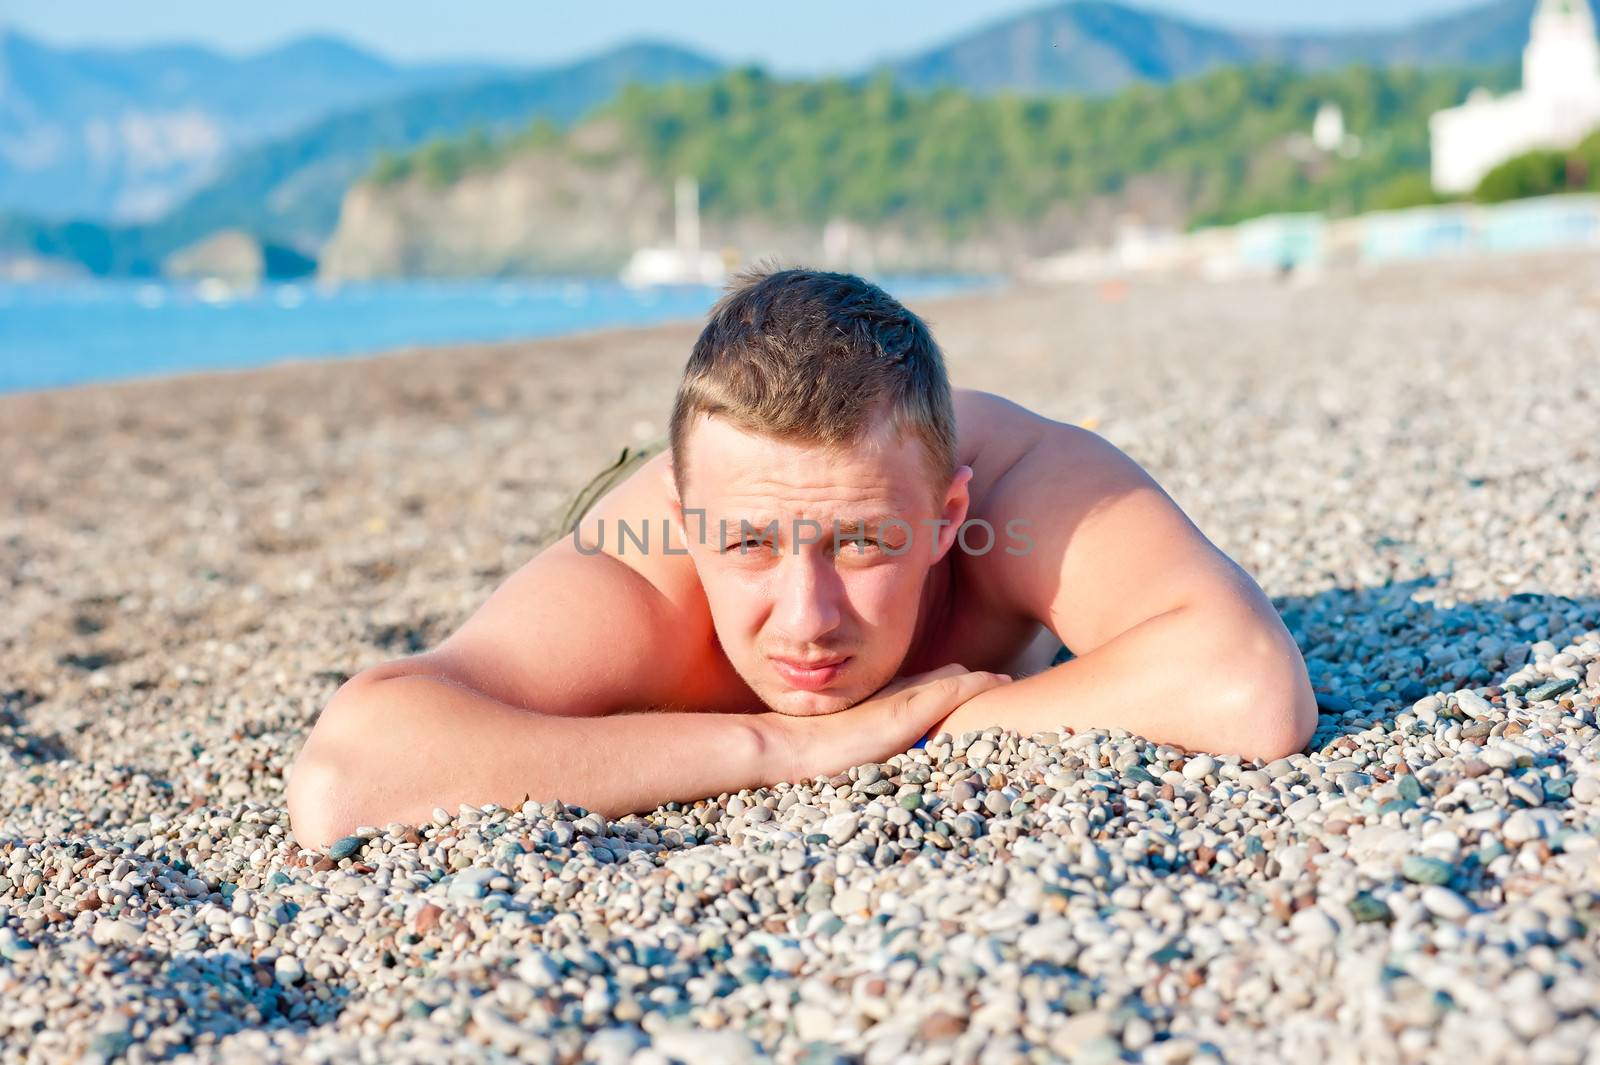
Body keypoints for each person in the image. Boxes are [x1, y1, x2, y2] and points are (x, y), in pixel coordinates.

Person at [287, 267, 1316, 847]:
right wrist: (786, 748)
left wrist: (942, 721)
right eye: (748, 545)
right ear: (688, 522)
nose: (805, 617)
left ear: (948, 514)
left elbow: (1248, 686)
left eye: (863, 542)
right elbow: (349, 773)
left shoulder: (1021, 481)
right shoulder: (639, 579)